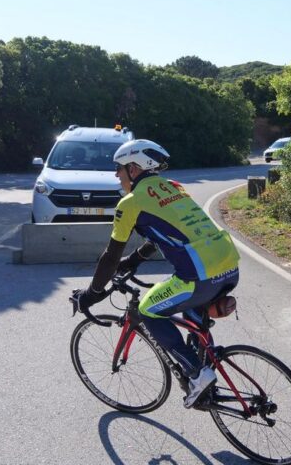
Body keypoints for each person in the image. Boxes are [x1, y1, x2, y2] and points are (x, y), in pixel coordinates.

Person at [70, 139, 240, 408]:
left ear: (134, 169)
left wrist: (92, 294)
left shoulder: (131, 202)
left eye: (119, 168)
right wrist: (135, 259)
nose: (116, 175)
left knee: (149, 309)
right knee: (193, 316)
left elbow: (110, 255)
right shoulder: (173, 188)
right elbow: (169, 232)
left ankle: (198, 375)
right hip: (230, 266)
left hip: (198, 277)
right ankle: (206, 374)